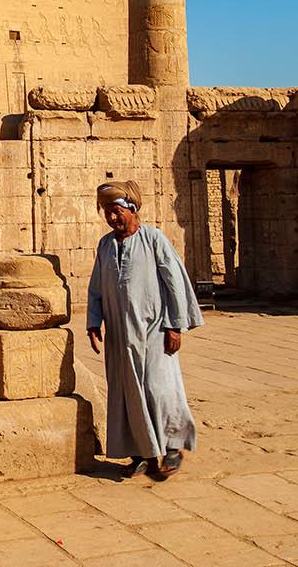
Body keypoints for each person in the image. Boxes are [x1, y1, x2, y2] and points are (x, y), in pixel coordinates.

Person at [87, 180, 203, 479]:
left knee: (159, 388)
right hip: (120, 334)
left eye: (116, 211)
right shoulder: (106, 245)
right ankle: (141, 453)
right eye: (107, 213)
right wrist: (93, 322)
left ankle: (173, 447)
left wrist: (175, 325)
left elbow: (174, 282)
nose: (112, 218)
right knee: (127, 393)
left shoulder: (153, 239)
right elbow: (96, 287)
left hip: (155, 330)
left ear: (131, 209)